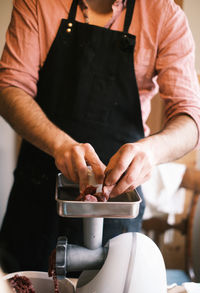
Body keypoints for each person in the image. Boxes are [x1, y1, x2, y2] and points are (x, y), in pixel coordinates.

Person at [0, 0, 200, 273]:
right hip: (36, 195)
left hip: (116, 208)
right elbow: (10, 87)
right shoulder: (36, 3)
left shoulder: (164, 16)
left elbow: (190, 119)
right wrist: (59, 144)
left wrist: (150, 152)